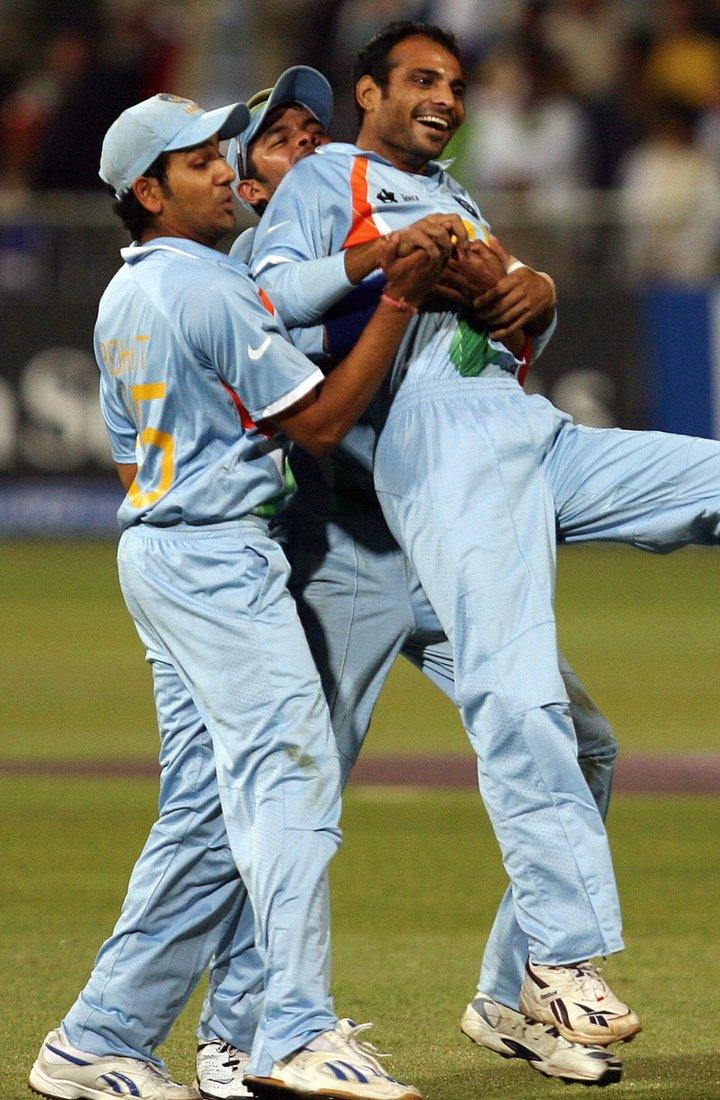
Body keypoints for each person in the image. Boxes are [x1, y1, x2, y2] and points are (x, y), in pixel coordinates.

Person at [251, 6, 720, 867]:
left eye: (456, 86)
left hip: (522, 428)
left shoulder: (453, 193)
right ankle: (511, 968)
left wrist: (537, 297)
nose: (446, 98)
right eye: (422, 80)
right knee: (455, 721)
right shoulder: (329, 178)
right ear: (367, 94)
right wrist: (384, 260)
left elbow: (503, 319)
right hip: (422, 460)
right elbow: (279, 295)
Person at [191, 66, 625, 1097]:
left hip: (444, 530)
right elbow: (322, 401)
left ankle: (514, 990)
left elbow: (491, 316)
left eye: (311, 129)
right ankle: (235, 1029)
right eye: (275, 141)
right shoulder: (259, 270)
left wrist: (536, 290)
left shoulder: (375, 224)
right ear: (245, 180)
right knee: (303, 784)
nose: (304, 149)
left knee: (582, 738)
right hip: (341, 545)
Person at [28, 91, 448, 1100]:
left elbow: (145, 439)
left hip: (165, 550)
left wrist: (363, 268)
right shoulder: (204, 289)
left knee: (208, 813)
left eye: (220, 149)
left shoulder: (133, 290)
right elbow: (320, 422)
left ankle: (99, 1037)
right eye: (197, 159)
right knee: (293, 770)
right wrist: (397, 298)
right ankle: (291, 1028)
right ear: (147, 190)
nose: (225, 168)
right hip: (216, 559)